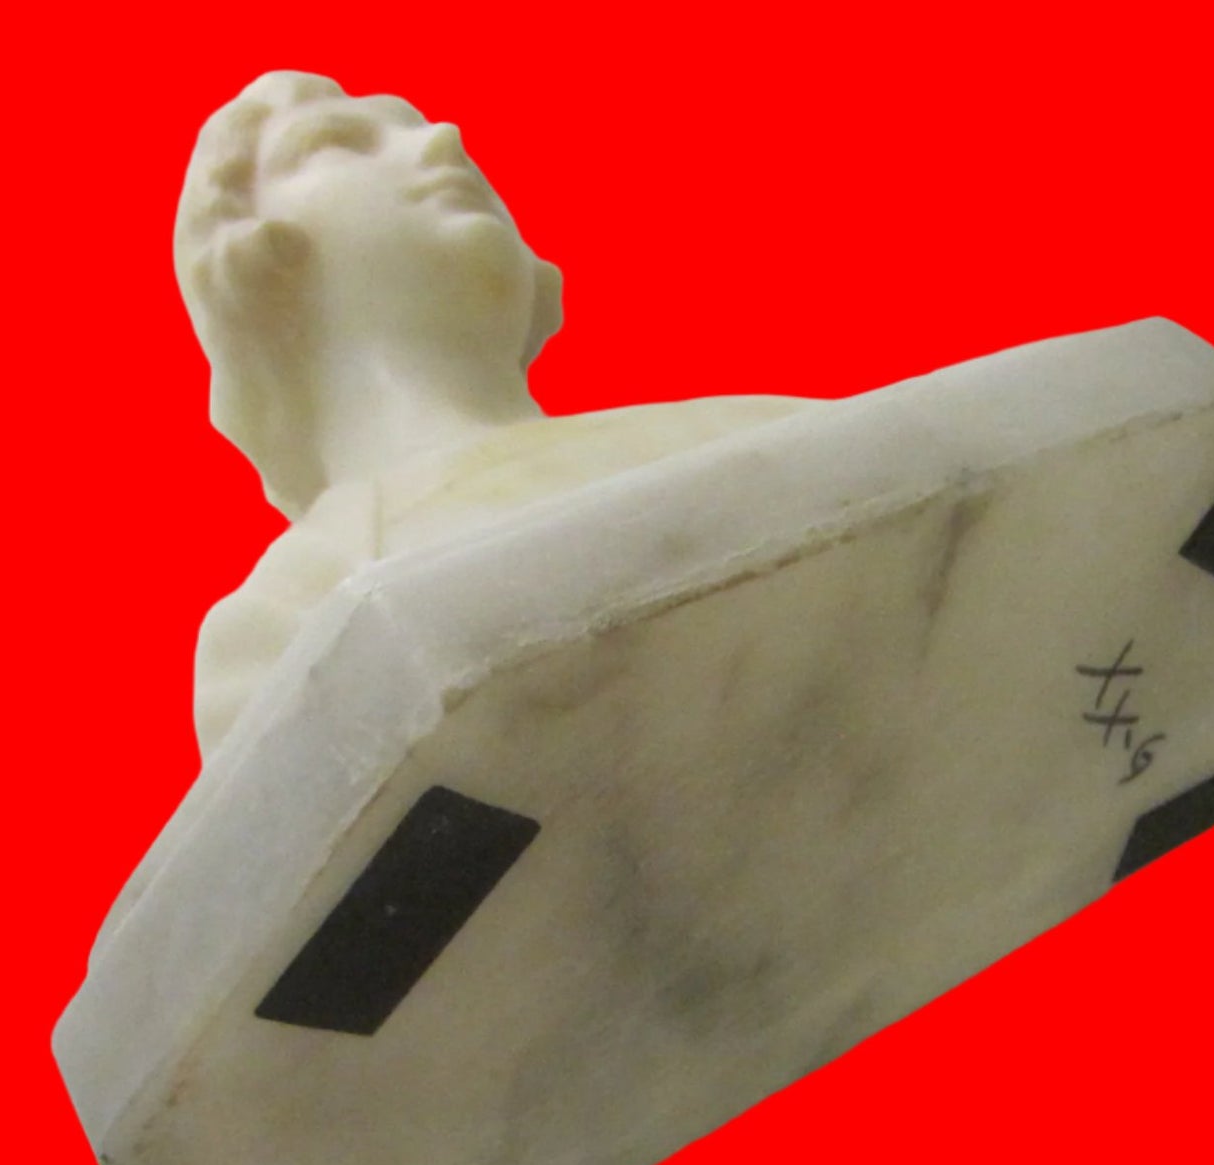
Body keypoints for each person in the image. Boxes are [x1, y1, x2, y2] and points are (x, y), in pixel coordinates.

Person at [176, 73, 810, 758]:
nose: (443, 140)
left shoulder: (768, 436)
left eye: (414, 125)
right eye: (340, 140)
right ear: (250, 262)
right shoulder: (287, 625)